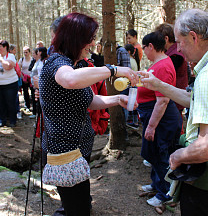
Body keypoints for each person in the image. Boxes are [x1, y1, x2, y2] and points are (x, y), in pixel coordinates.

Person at [139, 9, 208, 215]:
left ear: (193, 37)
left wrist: (179, 155)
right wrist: (159, 85)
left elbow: (207, 147)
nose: (179, 49)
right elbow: (199, 101)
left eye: (180, 42)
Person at [39, 12, 138, 216]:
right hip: (64, 151)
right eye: (90, 39)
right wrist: (112, 69)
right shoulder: (57, 63)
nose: (93, 44)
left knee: (81, 203)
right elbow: (71, 80)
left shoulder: (76, 65)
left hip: (79, 150)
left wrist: (117, 100)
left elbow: (90, 101)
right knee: (76, 208)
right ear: (76, 38)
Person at [137, 32, 182, 207]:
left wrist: (151, 126)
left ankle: (166, 194)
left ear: (150, 46)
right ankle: (157, 185)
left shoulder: (163, 65)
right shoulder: (157, 64)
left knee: (162, 154)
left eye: (144, 48)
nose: (144, 52)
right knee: (154, 154)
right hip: (154, 114)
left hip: (162, 119)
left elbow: (162, 100)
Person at [155, 23, 188, 114]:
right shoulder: (172, 53)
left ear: (166, 39)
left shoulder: (175, 55)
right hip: (174, 99)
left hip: (174, 101)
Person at [0, 40, 18, 127]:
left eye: (0, 47)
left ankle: (12, 120)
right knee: (0, 103)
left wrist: (2, 59)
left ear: (5, 47)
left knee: (10, 103)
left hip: (10, 84)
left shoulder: (10, 56)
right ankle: (2, 121)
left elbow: (7, 67)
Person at [18, 46, 34, 113]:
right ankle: (27, 106)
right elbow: (18, 69)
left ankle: (34, 106)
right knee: (25, 92)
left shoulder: (32, 60)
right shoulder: (21, 60)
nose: (25, 54)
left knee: (33, 92)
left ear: (29, 52)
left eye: (26, 52)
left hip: (31, 78)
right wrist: (22, 76)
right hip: (24, 78)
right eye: (24, 52)